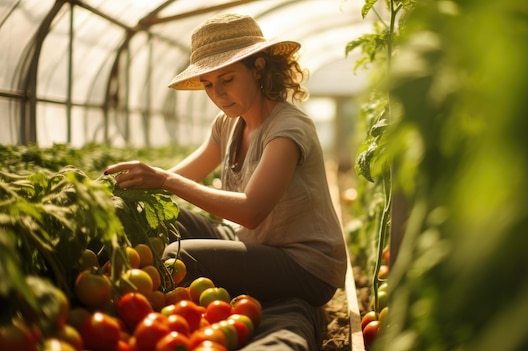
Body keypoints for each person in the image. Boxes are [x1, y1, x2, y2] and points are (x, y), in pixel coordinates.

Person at [104, 14, 347, 310]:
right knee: (153, 217)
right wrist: (123, 193)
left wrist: (165, 179)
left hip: (304, 266)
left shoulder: (287, 128)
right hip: (251, 242)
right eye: (207, 84)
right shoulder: (227, 124)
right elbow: (183, 175)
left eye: (227, 79)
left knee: (179, 257)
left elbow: (251, 211)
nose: (217, 95)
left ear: (258, 67)